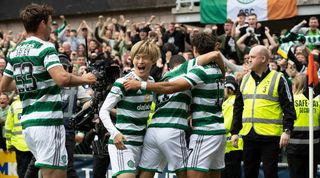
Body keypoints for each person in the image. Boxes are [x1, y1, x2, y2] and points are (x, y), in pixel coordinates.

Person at [0, 3, 96, 178]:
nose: (51, 28)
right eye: (51, 23)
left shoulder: (14, 52)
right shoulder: (45, 47)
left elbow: (4, 86)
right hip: (48, 122)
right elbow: (62, 78)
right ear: (42, 23)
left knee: (47, 173)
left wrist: (32, 83)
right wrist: (85, 79)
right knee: (55, 175)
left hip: (28, 124)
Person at [123, 32, 226, 178]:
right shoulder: (191, 70)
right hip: (175, 129)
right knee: (187, 174)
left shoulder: (162, 78)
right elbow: (215, 55)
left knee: (146, 172)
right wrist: (223, 72)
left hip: (153, 130)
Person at [230, 45, 296, 178]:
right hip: (249, 135)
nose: (249, 60)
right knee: (249, 173)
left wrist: (287, 130)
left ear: (263, 59)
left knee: (270, 174)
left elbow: (288, 107)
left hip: (270, 137)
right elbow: (238, 107)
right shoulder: (244, 79)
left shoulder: (279, 78)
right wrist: (234, 132)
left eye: (252, 57)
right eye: (248, 57)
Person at [99, 39, 161, 178]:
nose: (140, 61)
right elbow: (103, 111)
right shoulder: (123, 82)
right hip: (123, 142)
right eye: (137, 57)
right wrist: (114, 133)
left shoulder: (151, 83)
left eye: (144, 58)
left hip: (143, 143)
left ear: (153, 60)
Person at [287, 74, 320, 178]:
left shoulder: (292, 100)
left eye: (293, 85)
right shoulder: (318, 100)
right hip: (314, 147)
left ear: (297, 85)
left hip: (294, 147)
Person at [4, 95, 33, 178]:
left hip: (18, 145)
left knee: (21, 171)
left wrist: (8, 144)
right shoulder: (35, 102)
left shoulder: (14, 105)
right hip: (33, 144)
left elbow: (8, 126)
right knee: (33, 172)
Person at [221, 76, 243, 178]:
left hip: (231, 145)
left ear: (228, 88)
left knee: (231, 173)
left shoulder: (231, 102)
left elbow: (227, 123)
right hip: (234, 144)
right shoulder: (231, 101)